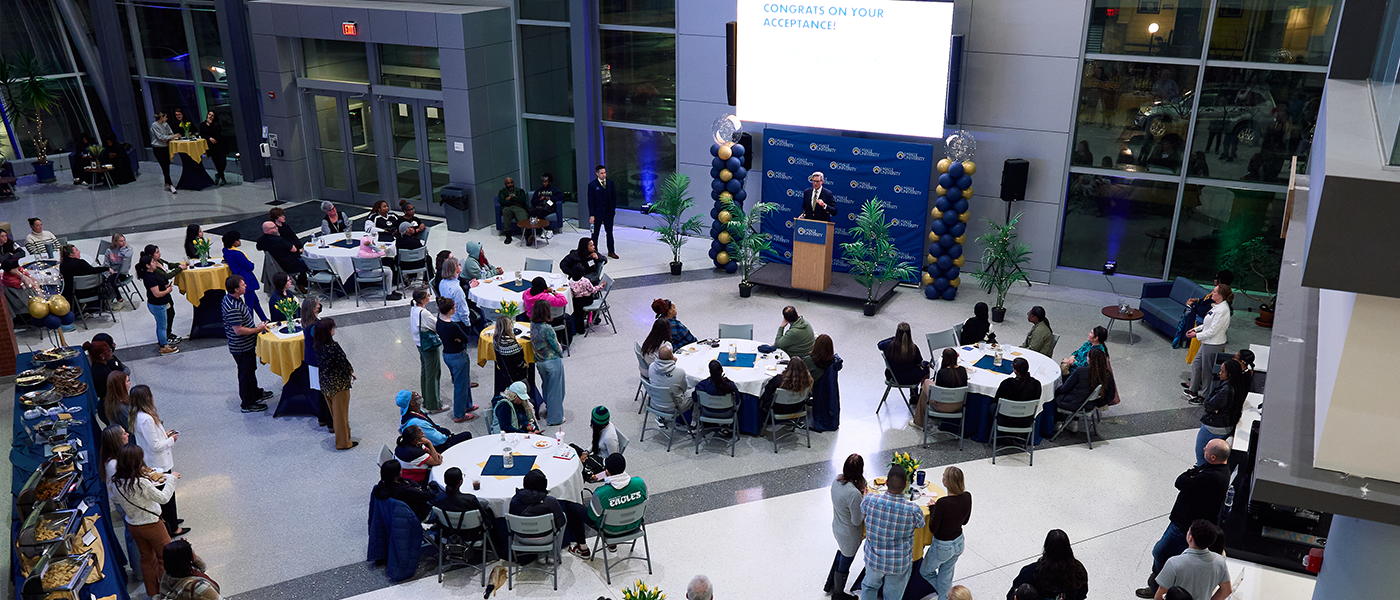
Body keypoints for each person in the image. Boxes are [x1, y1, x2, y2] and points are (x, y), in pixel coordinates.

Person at [1137, 439, 1231, 598]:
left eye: (1206, 450)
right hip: (1183, 519)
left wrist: (1191, 474)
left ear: (1213, 457)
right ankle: (1158, 577)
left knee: (1160, 552)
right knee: (1163, 551)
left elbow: (1180, 481)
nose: (1203, 450)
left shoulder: (1210, 476)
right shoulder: (1219, 469)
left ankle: (1157, 584)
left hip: (1184, 524)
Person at [111, 444, 177, 599]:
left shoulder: (116, 481)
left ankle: (152, 593)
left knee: (146, 559)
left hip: (134, 525)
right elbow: (164, 498)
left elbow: (116, 498)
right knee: (164, 558)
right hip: (152, 525)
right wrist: (172, 479)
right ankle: (166, 592)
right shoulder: (141, 482)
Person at [130, 385, 188, 538]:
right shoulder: (147, 419)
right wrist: (171, 440)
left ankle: (172, 519)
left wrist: (165, 435)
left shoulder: (139, 415)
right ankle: (173, 527)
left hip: (154, 460)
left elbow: (152, 439)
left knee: (168, 494)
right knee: (167, 495)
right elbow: (155, 446)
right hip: (158, 463)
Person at [859, 464, 925, 600]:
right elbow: (921, 524)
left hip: (874, 560)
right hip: (898, 563)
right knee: (893, 596)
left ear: (886, 483)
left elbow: (862, 508)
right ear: (906, 485)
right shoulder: (913, 510)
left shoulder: (870, 501)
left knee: (869, 588)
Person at [508, 469, 592, 558]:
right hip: (546, 538)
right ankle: (554, 553)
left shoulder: (514, 500)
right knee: (564, 515)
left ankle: (542, 555)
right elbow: (561, 523)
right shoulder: (551, 502)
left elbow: (511, 523)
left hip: (522, 539)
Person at [99, 424, 143, 583]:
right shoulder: (113, 464)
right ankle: (139, 571)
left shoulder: (117, 459)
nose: (128, 435)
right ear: (117, 439)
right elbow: (117, 490)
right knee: (133, 537)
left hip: (126, 502)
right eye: (124, 434)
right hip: (125, 504)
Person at [222, 275, 271, 412]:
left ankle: (255, 392)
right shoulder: (232, 306)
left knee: (250, 370)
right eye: (243, 285)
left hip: (247, 345)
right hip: (241, 346)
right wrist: (257, 329)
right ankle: (247, 403)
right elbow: (238, 330)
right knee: (245, 373)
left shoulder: (233, 299)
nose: (246, 286)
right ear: (236, 289)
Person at [923, 466, 972, 599]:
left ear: (945, 482)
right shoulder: (967, 496)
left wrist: (933, 509)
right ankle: (946, 594)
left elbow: (933, 528)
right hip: (959, 542)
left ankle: (945, 595)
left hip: (942, 546)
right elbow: (965, 521)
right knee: (946, 573)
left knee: (925, 571)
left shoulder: (943, 503)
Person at [1151, 521, 1231, 600]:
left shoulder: (1174, 563)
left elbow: (1159, 596)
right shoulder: (1220, 561)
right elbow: (1226, 591)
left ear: (1190, 538)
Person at [584, 453, 647, 549]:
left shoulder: (601, 493)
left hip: (609, 531)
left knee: (574, 508)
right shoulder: (640, 484)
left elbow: (593, 516)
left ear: (607, 471)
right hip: (635, 526)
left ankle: (582, 548)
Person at [826, 454, 866, 600]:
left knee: (842, 554)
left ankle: (830, 584)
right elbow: (857, 521)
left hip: (837, 526)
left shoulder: (837, 480)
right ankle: (838, 594)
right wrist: (864, 502)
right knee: (845, 562)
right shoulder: (854, 494)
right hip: (850, 534)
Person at [1008, 529, 1088, 600]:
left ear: (1046, 547)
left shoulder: (1032, 572)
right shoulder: (1078, 571)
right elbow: (1082, 594)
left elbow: (1013, 595)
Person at [1184, 285, 1232, 403]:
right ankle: (1193, 390)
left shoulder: (1222, 310)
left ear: (1220, 296)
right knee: (1196, 363)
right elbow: (1207, 325)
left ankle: (1205, 397)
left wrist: (1196, 336)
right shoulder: (1217, 307)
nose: (1212, 293)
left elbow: (1213, 331)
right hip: (1207, 342)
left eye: (1214, 292)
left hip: (1213, 344)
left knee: (1207, 371)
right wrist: (1196, 330)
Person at [432, 467, 500, 550]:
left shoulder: (438, 498)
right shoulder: (470, 500)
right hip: (472, 534)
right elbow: (486, 519)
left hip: (448, 532)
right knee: (491, 512)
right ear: (461, 482)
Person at [315, 317, 357, 449]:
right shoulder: (333, 347)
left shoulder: (318, 346)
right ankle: (343, 443)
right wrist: (350, 371)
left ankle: (345, 436)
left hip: (326, 383)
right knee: (341, 415)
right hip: (339, 385)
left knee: (336, 414)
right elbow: (343, 363)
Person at [436, 296, 479, 423]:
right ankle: (459, 414)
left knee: (464, 380)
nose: (456, 309)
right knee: (460, 385)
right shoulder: (453, 326)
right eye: (454, 307)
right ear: (450, 310)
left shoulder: (439, 322)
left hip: (447, 355)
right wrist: (459, 338)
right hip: (458, 357)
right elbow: (465, 338)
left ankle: (467, 405)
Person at [1196, 360, 1247, 465]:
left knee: (1203, 454)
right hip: (1226, 424)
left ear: (1230, 374)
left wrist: (1210, 403)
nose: (1220, 373)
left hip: (1215, 426)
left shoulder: (1226, 390)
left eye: (1222, 372)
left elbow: (1209, 405)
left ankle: (1200, 472)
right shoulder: (1240, 384)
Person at [531, 300, 568, 426]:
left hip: (540, 362)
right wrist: (561, 352)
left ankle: (549, 408)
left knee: (546, 386)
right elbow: (556, 346)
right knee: (556, 390)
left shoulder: (532, 325)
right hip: (552, 361)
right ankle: (555, 418)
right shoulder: (547, 328)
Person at [408, 289, 444, 413]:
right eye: (427, 295)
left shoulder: (414, 309)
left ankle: (426, 400)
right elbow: (436, 326)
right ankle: (434, 404)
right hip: (429, 346)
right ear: (422, 300)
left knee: (425, 372)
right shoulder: (424, 313)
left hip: (420, 344)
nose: (430, 296)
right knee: (433, 373)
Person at [142, 244, 185, 346]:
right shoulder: (151, 275)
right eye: (156, 253)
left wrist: (178, 265)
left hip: (164, 296)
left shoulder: (156, 265)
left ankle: (167, 335)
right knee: (162, 325)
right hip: (159, 302)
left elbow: (168, 266)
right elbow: (156, 293)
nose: (159, 254)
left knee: (170, 314)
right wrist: (168, 290)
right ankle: (164, 344)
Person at [220, 232, 269, 321]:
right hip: (246, 279)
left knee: (255, 302)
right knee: (249, 304)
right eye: (237, 240)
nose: (239, 241)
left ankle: (264, 319)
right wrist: (252, 264)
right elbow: (250, 267)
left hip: (237, 275)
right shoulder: (238, 254)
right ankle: (249, 323)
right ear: (233, 242)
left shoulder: (225, 250)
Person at [1054, 347, 1116, 414]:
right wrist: (1097, 403)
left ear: (1089, 360)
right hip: (1089, 405)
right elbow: (1110, 395)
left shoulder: (1080, 371)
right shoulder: (1107, 374)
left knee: (1053, 395)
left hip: (1072, 403)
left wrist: (1055, 388)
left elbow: (1064, 389)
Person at [647, 344, 692, 428]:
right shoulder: (679, 372)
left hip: (655, 403)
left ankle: (660, 417)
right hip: (675, 406)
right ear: (672, 356)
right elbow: (685, 389)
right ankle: (694, 422)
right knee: (696, 390)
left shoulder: (651, 367)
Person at [759, 352, 813, 418]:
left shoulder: (779, 380)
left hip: (778, 408)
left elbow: (767, 390)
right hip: (797, 407)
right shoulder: (808, 381)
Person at [59, 243, 113, 307]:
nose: (79, 252)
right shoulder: (80, 263)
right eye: (76, 250)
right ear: (71, 254)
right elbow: (92, 270)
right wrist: (107, 268)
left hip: (70, 294)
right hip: (85, 292)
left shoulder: (62, 265)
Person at [995, 357, 1041, 428]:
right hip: (1027, 419)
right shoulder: (1036, 384)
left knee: (991, 405)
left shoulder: (1007, 384)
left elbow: (997, 400)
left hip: (1006, 419)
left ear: (1015, 371)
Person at [84, 333, 129, 405]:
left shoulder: (100, 365)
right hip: (110, 403)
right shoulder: (103, 372)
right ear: (102, 355)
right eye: (109, 351)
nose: (111, 352)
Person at [879, 322, 928, 387]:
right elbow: (919, 362)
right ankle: (917, 394)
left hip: (893, 377)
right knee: (926, 365)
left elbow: (879, 345)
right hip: (910, 378)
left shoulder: (888, 345)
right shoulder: (913, 348)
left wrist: (893, 338)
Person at [493, 315, 531, 397]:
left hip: (505, 371)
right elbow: (518, 362)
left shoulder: (496, 338)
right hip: (517, 375)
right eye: (510, 324)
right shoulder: (511, 343)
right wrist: (524, 365)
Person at [581, 406, 622, 481]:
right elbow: (596, 442)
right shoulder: (602, 427)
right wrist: (586, 452)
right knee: (572, 448)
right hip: (596, 456)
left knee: (579, 466)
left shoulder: (610, 438)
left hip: (602, 464)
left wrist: (601, 475)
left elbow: (613, 460)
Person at [588, 164, 620, 258]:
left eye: (605, 172)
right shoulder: (592, 185)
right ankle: (594, 251)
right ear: (597, 174)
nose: (604, 175)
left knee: (609, 232)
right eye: (601, 173)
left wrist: (613, 208)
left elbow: (613, 197)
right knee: (595, 233)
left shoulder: (610, 183)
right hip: (597, 212)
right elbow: (591, 201)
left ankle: (611, 251)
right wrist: (592, 215)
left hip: (608, 212)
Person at [150, 112, 178, 193]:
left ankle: (167, 182)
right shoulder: (154, 125)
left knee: (167, 164)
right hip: (158, 148)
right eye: (165, 117)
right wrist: (171, 137)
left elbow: (170, 133)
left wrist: (171, 137)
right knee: (164, 165)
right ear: (161, 117)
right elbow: (161, 137)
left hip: (165, 147)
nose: (167, 118)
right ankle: (171, 184)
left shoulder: (166, 124)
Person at [199, 111, 229, 185]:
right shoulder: (202, 125)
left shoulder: (216, 124)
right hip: (211, 146)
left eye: (212, 115)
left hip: (220, 144)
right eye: (209, 114)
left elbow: (218, 132)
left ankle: (218, 174)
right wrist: (209, 138)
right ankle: (223, 178)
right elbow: (202, 134)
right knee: (216, 162)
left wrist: (211, 124)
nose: (210, 116)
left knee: (223, 161)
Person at [498, 176, 529, 244]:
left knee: (522, 215)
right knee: (505, 212)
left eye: (511, 182)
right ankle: (508, 236)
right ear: (505, 184)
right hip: (507, 207)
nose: (510, 185)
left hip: (518, 207)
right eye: (508, 183)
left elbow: (523, 200)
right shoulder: (502, 192)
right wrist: (515, 200)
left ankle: (527, 236)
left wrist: (511, 198)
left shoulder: (519, 191)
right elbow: (502, 202)